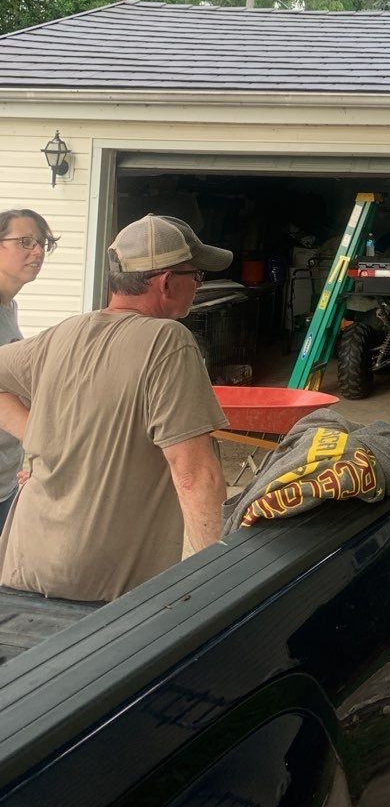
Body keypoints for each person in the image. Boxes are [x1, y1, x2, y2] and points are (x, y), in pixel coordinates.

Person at [0, 214, 231, 603]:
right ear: (167, 281)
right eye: (197, 276)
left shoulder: (66, 331)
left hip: (26, 568)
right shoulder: (168, 341)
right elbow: (194, 474)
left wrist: (38, 437)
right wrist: (219, 581)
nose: (198, 286)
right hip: (106, 591)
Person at [0, 208, 57, 532]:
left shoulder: (8, 307)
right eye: (24, 242)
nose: (37, 251)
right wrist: (46, 449)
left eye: (41, 243)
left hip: (5, 478)